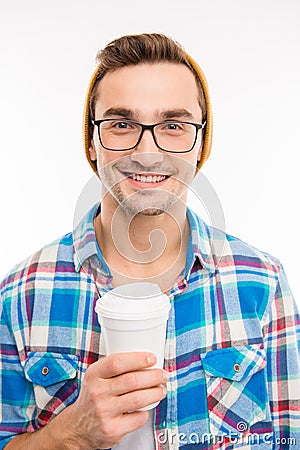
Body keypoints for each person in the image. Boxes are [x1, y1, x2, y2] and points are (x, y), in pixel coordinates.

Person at [0, 33, 299, 450]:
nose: (147, 150)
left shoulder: (262, 284)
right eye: (122, 124)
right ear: (92, 141)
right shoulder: (21, 293)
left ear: (200, 145)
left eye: (173, 126)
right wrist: (69, 435)